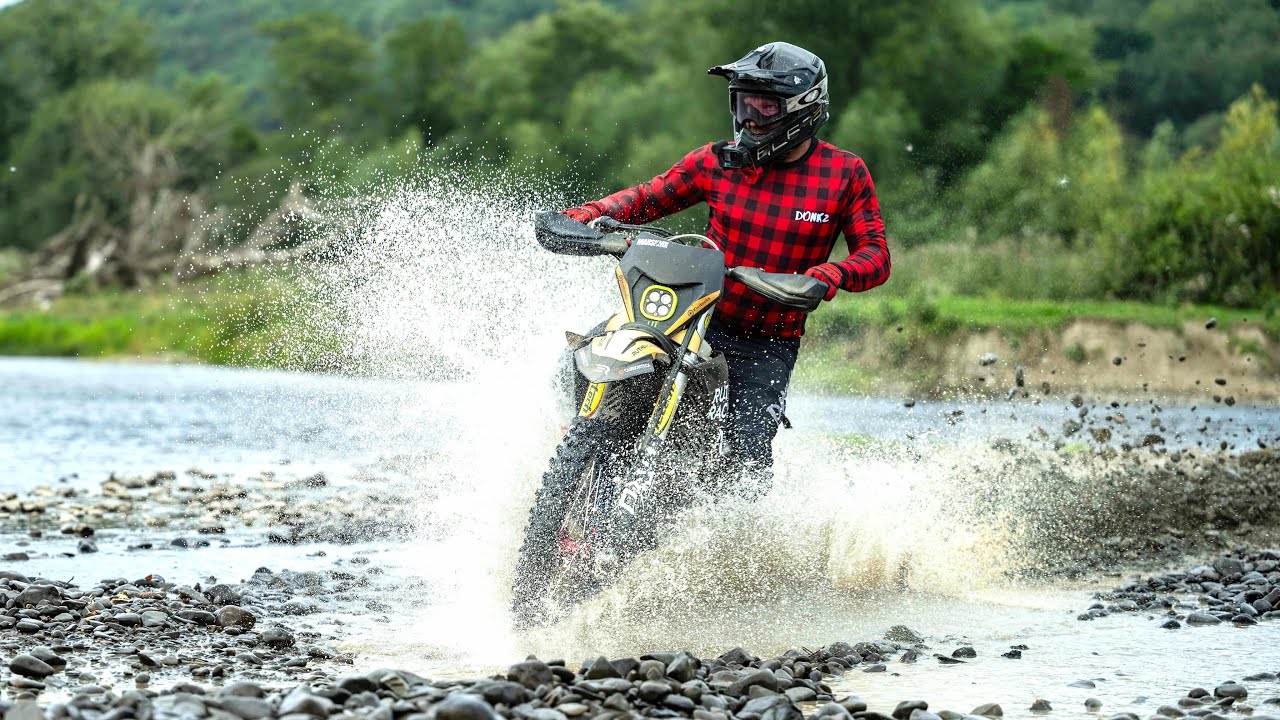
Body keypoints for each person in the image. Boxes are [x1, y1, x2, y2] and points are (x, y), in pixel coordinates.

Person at [560, 41, 890, 494]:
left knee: (744, 470)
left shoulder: (844, 174)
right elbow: (646, 198)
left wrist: (826, 276)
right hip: (688, 319)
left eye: (766, 107)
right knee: (584, 359)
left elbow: (876, 255)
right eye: (743, 103)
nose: (750, 118)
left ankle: (708, 524)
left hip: (766, 343)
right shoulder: (715, 161)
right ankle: (573, 464)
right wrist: (585, 215)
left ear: (803, 109)